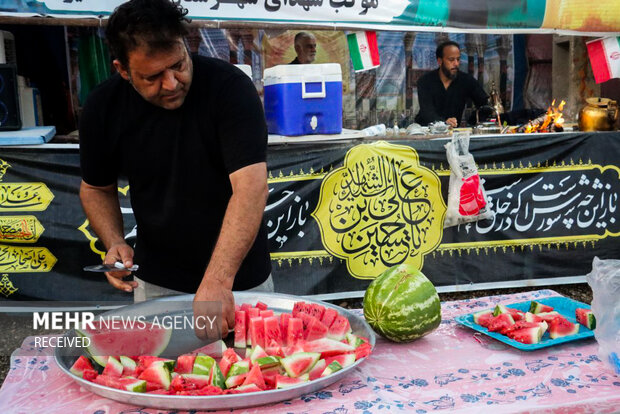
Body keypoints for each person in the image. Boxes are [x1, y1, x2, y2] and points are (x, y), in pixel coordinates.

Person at [78, 0, 272, 339]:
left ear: (186, 45)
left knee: (261, 377)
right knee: (163, 383)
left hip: (241, 280)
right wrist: (113, 241)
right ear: (122, 70)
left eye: (178, 65)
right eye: (152, 77)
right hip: (158, 283)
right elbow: (96, 187)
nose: (171, 83)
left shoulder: (230, 89)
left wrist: (217, 280)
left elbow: (251, 187)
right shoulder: (102, 107)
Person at [415, 40, 488, 127]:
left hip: (453, 133)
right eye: (451, 59)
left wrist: (472, 121)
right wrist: (444, 122)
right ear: (440, 61)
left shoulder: (466, 80)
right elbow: (427, 112)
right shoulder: (425, 81)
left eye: (458, 59)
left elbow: (485, 105)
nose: (456, 63)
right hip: (426, 132)